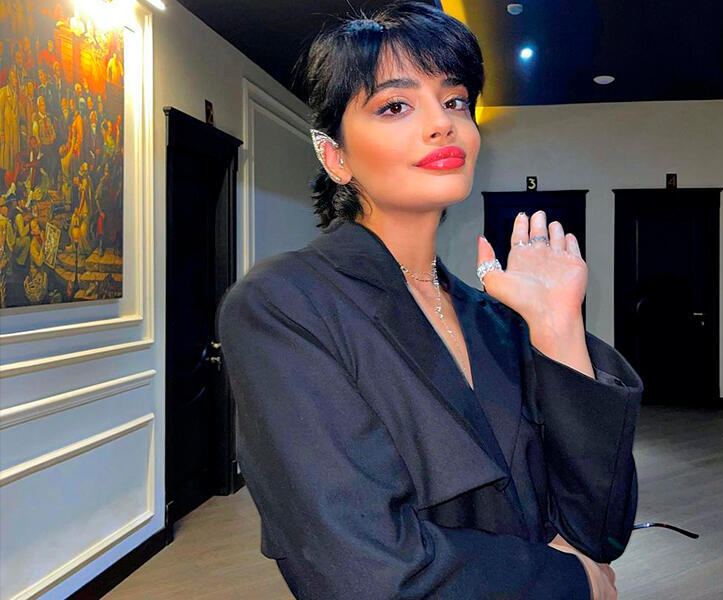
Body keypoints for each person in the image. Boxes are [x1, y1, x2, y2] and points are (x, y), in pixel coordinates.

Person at [217, 3, 643, 599]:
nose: (443, 123)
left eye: (455, 101)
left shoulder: (496, 319)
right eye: (395, 105)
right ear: (335, 156)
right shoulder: (283, 305)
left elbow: (599, 527)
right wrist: (573, 581)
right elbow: (364, 569)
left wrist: (557, 326)